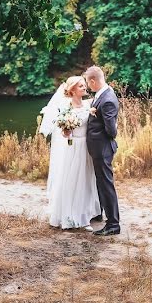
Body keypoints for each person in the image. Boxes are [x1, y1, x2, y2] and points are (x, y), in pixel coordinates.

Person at [38, 76, 99, 230]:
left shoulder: (87, 104)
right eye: (80, 86)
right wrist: (66, 131)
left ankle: (84, 215)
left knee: (85, 181)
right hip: (73, 148)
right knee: (72, 180)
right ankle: (70, 216)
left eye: (84, 85)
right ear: (72, 90)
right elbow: (64, 132)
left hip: (86, 147)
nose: (84, 88)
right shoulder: (66, 108)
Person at [83, 66, 120, 236]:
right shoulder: (102, 95)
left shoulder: (107, 100)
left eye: (87, 83)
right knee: (101, 183)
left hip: (103, 149)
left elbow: (111, 131)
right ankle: (101, 214)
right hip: (98, 148)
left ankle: (113, 224)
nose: (88, 87)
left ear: (93, 80)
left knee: (106, 184)